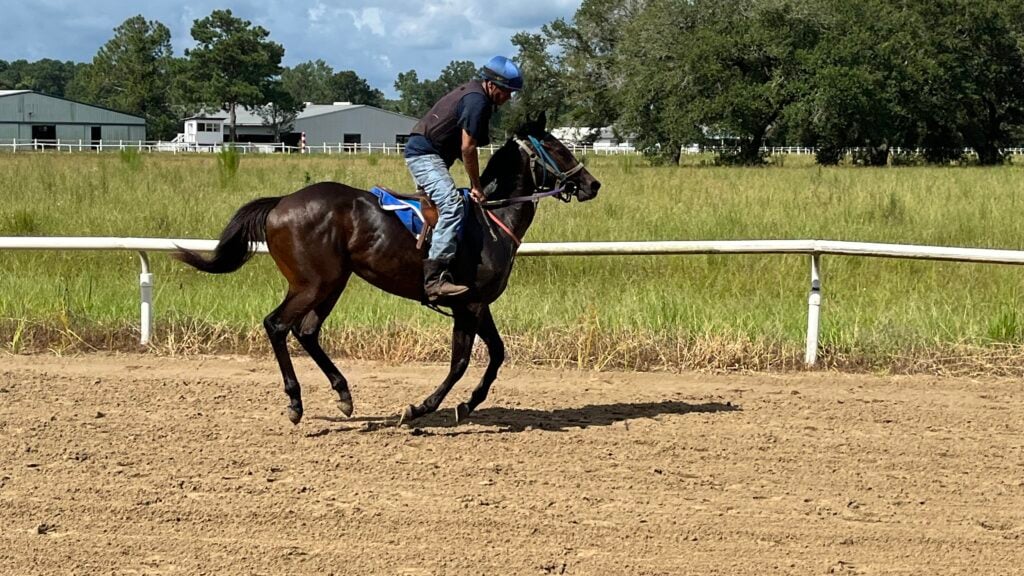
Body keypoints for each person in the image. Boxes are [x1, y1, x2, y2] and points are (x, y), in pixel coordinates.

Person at [404, 55, 524, 302]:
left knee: (448, 208)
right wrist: (476, 186)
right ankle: (435, 280)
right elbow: (467, 149)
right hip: (424, 155)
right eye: (506, 91)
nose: (508, 97)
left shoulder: (475, 96)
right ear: (491, 84)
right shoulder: (476, 101)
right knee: (452, 206)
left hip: (429, 153)